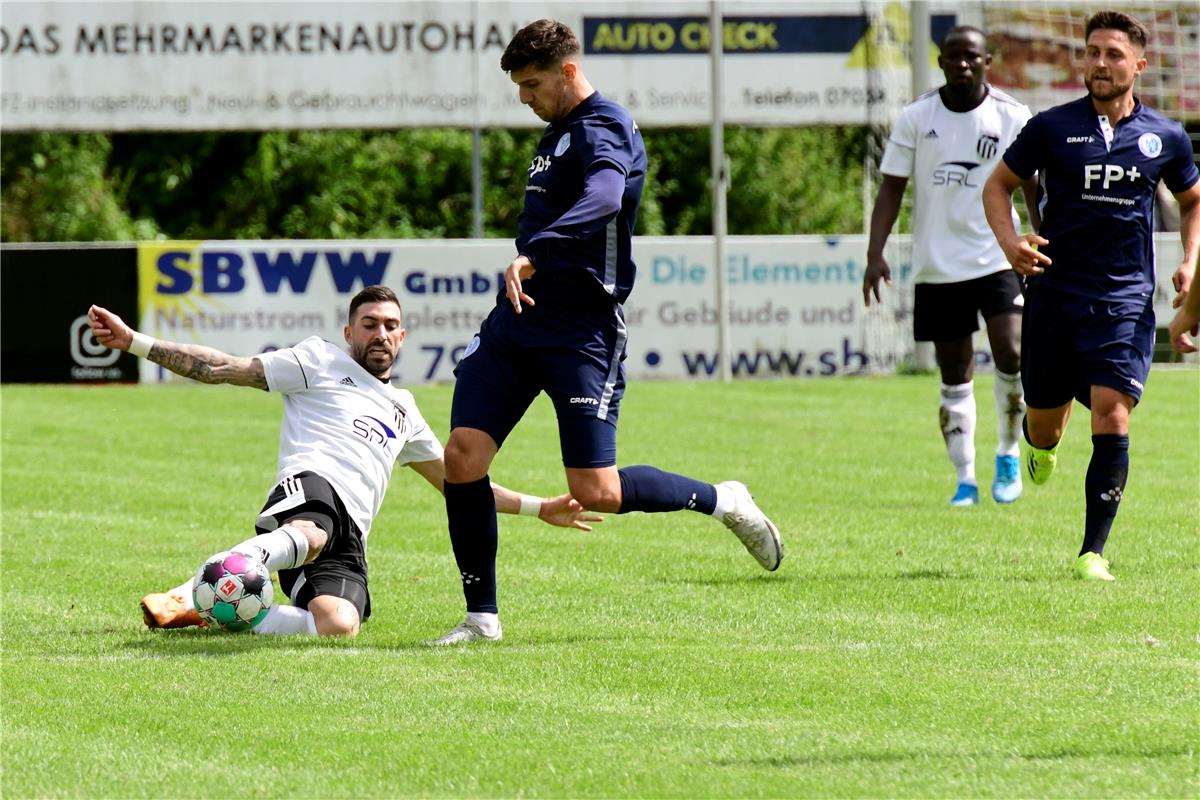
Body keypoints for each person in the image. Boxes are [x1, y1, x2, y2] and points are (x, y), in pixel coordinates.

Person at [431, 19, 784, 646]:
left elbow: (604, 198)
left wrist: (534, 252)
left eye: (532, 83)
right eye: (518, 86)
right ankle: (481, 618)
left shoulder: (604, 126)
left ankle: (724, 499)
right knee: (463, 456)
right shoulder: (556, 133)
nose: (524, 96)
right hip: (518, 318)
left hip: (581, 329)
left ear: (569, 72)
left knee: (594, 490)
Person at [86, 285, 599, 636]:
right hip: (311, 489)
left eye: (391, 325)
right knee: (312, 531)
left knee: (338, 626)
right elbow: (227, 367)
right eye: (369, 323)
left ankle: (217, 606)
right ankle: (189, 590)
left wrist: (539, 508)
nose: (380, 333)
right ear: (350, 332)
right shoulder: (319, 360)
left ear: (402, 337)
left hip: (351, 529)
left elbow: (460, 487)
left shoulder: (405, 411)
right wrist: (136, 342)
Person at [983, 10, 1200, 580]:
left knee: (1112, 415)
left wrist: (1190, 258)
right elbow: (997, 186)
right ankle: (1037, 443)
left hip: (1125, 301)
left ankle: (1091, 553)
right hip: (1054, 295)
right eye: (1093, 53)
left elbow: (1194, 198)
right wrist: (1012, 245)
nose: (1101, 64)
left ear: (1139, 65)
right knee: (1047, 423)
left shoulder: (1165, 136)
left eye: (1113, 54)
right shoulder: (1050, 128)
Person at [864, 25, 1041, 507]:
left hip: (999, 255)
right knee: (955, 371)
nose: (963, 64)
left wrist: (1044, 239)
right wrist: (874, 251)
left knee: (1013, 351)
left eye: (973, 57)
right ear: (941, 62)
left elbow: (1031, 185)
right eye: (954, 57)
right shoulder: (918, 116)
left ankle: (1007, 451)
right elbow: (891, 189)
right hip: (939, 264)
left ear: (988, 62)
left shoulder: (1011, 115)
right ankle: (965, 477)